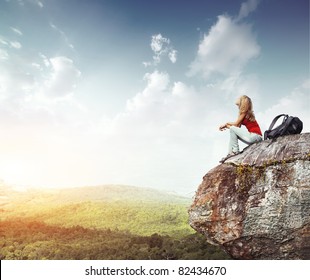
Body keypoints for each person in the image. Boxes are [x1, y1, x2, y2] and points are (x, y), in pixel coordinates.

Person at [219, 95, 262, 162]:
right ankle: (231, 153)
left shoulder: (244, 112)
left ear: (242, 101)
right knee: (232, 130)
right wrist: (226, 126)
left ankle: (235, 151)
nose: (237, 99)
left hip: (255, 136)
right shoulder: (244, 113)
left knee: (232, 128)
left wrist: (226, 124)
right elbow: (237, 127)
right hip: (255, 138)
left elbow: (235, 125)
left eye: (239, 98)